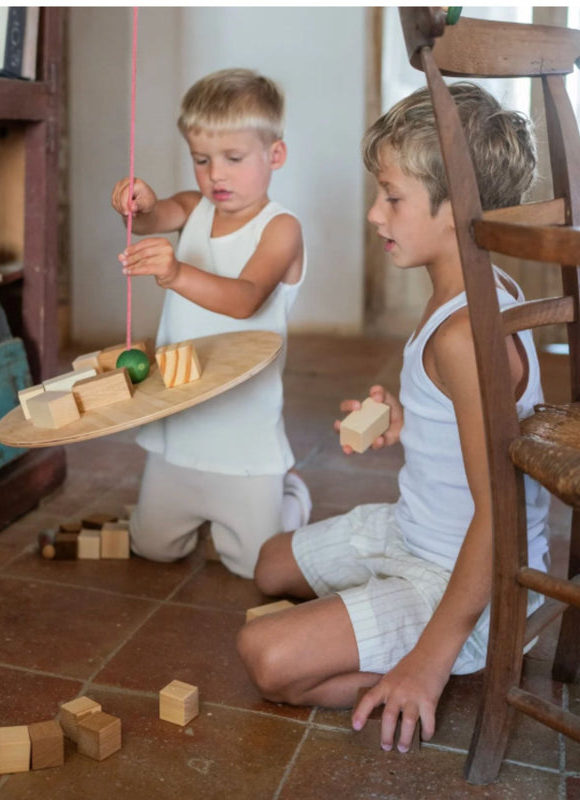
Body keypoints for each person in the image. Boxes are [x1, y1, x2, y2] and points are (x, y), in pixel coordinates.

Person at [236, 82, 550, 751]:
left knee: (267, 658)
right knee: (269, 566)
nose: (376, 214)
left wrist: (428, 660)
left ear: (455, 209)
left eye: (393, 197)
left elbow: (503, 514)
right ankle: (390, 626)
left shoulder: (467, 337)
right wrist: (408, 422)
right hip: (417, 531)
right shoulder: (466, 294)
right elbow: (473, 432)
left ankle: (448, 666)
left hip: (464, 575)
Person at [110, 68, 311, 579]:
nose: (215, 175)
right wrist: (140, 203)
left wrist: (176, 272)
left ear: (275, 155)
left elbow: (245, 299)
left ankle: (289, 494)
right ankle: (194, 506)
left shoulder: (281, 228)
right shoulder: (195, 206)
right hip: (181, 423)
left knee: (252, 566)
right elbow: (157, 216)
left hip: (244, 433)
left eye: (233, 159)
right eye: (202, 160)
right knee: (153, 546)